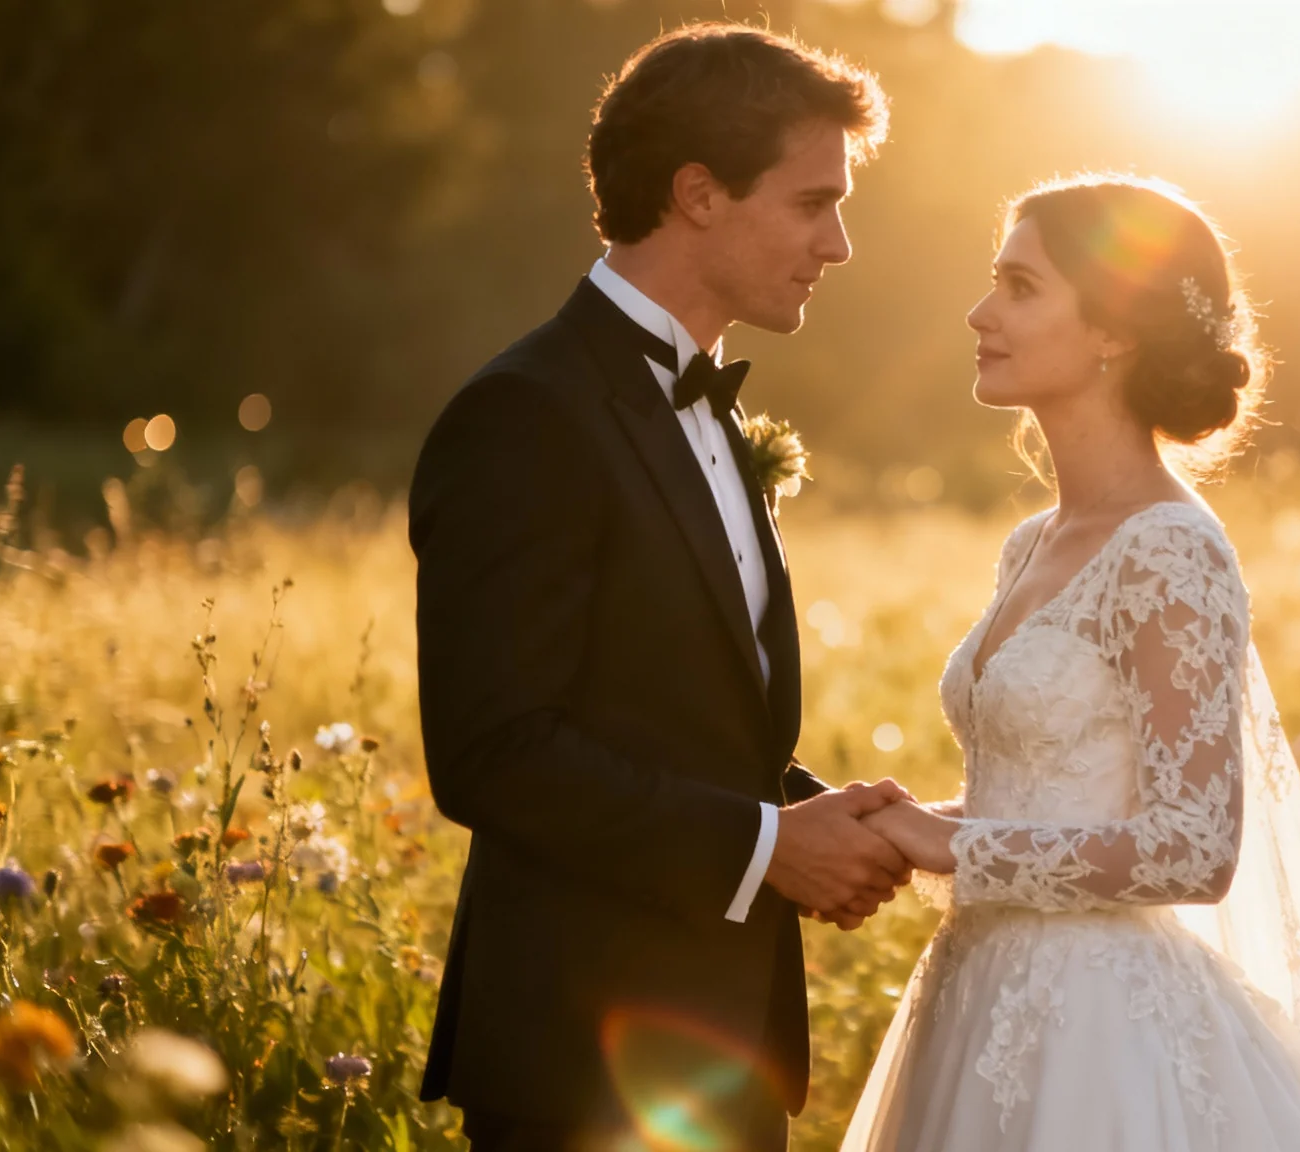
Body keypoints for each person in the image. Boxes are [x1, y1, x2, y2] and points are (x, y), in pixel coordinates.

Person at [839, 175, 1300, 1151]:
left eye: (1018, 288)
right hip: (974, 995)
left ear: (1111, 331)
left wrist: (957, 848)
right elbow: (1067, 795)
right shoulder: (1031, 542)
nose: (979, 313)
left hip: (1099, 1030)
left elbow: (1192, 846)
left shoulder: (1169, 551)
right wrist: (915, 823)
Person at [408, 24, 909, 1152]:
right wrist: (765, 848)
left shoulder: (709, 407)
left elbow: (670, 712)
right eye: (811, 202)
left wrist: (824, 817)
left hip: (724, 1050)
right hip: (576, 1063)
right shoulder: (525, 415)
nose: (837, 244)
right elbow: (495, 751)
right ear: (696, 193)